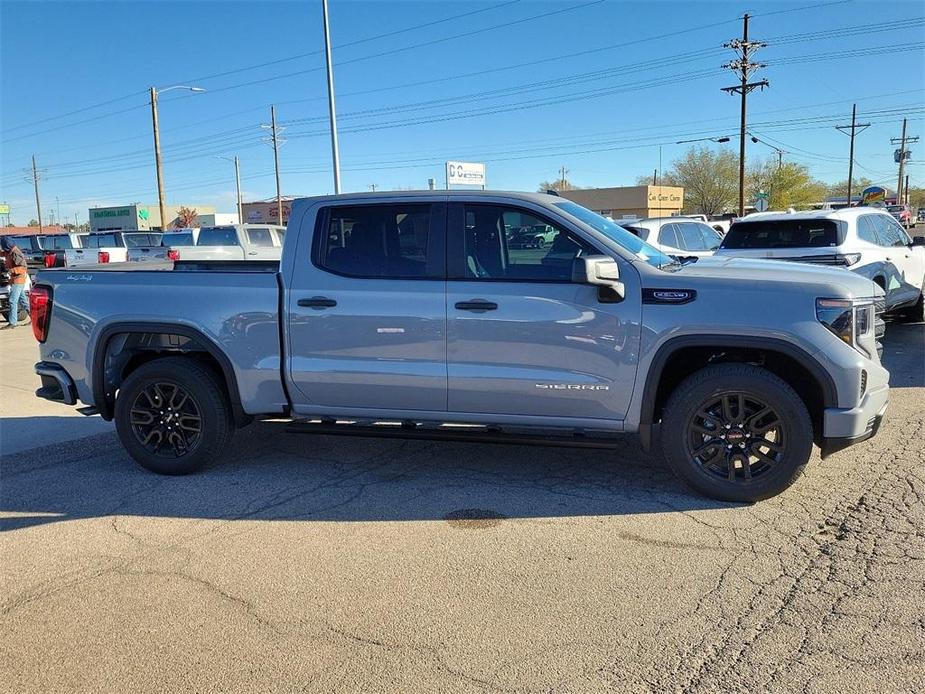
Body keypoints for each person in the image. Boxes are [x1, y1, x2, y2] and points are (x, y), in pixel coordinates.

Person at [1, 236, 30, 329]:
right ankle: (35, 318)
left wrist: (11, 270)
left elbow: (23, 268)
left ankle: (12, 323)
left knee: (12, 300)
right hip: (15, 280)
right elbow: (3, 254)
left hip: (18, 280)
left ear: (6, 244)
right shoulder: (9, 251)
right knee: (24, 302)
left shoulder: (16, 253)